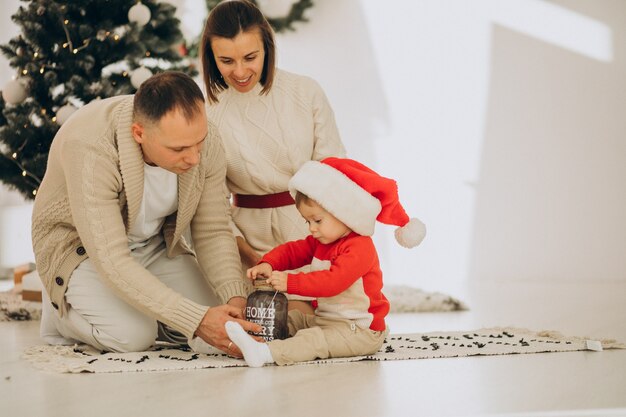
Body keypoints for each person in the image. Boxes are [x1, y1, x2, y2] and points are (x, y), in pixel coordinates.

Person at [31, 71, 260, 355]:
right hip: (82, 251)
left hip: (152, 245)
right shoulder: (91, 146)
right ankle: (61, 317)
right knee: (133, 336)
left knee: (220, 314)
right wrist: (196, 320)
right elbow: (112, 260)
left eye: (199, 142)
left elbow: (213, 229)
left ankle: (157, 318)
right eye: (179, 149)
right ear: (139, 133)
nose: (194, 158)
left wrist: (234, 299)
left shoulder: (202, 138)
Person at [199, 0, 347, 313]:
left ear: (267, 46)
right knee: (258, 321)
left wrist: (317, 244)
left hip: (311, 235)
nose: (240, 72)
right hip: (245, 245)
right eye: (226, 60)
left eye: (250, 57)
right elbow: (210, 204)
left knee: (315, 317)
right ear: (211, 57)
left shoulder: (305, 92)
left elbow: (334, 174)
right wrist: (248, 254)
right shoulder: (207, 112)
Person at [225, 157, 426, 366]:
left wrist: (290, 282)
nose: (312, 228)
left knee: (313, 341)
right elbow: (292, 251)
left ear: (345, 213)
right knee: (288, 318)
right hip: (328, 321)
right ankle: (243, 339)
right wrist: (269, 263)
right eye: (307, 221)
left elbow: (333, 282)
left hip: (360, 330)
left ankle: (265, 353)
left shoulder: (360, 247)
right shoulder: (321, 240)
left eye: (317, 221)